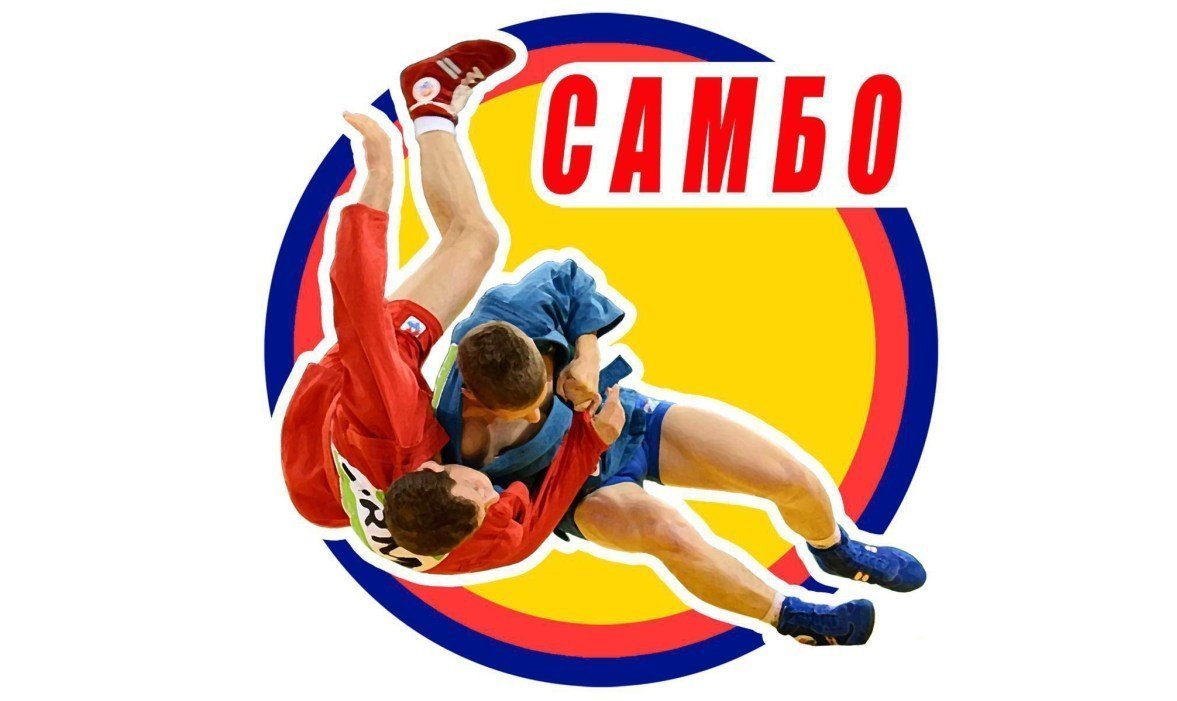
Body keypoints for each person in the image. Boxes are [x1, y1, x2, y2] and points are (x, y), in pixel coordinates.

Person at [389, 258, 926, 645]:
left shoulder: (506, 316)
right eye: (524, 412)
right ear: (474, 400)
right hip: (575, 490)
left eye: (543, 397)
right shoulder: (439, 456)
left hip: (627, 420)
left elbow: (569, 277)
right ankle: (793, 618)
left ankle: (835, 549)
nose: (538, 415)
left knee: (790, 477)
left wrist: (586, 354)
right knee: (668, 533)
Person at [280, 40, 625, 572]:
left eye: (476, 488)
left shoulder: (391, 416)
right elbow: (530, 532)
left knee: (475, 239)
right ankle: (431, 106)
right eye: (487, 502)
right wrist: (591, 439)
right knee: (470, 239)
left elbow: (356, 302)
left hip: (332, 415)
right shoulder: (479, 529)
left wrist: (378, 176)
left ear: (433, 468)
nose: (491, 491)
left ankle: (430, 98)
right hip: (317, 492)